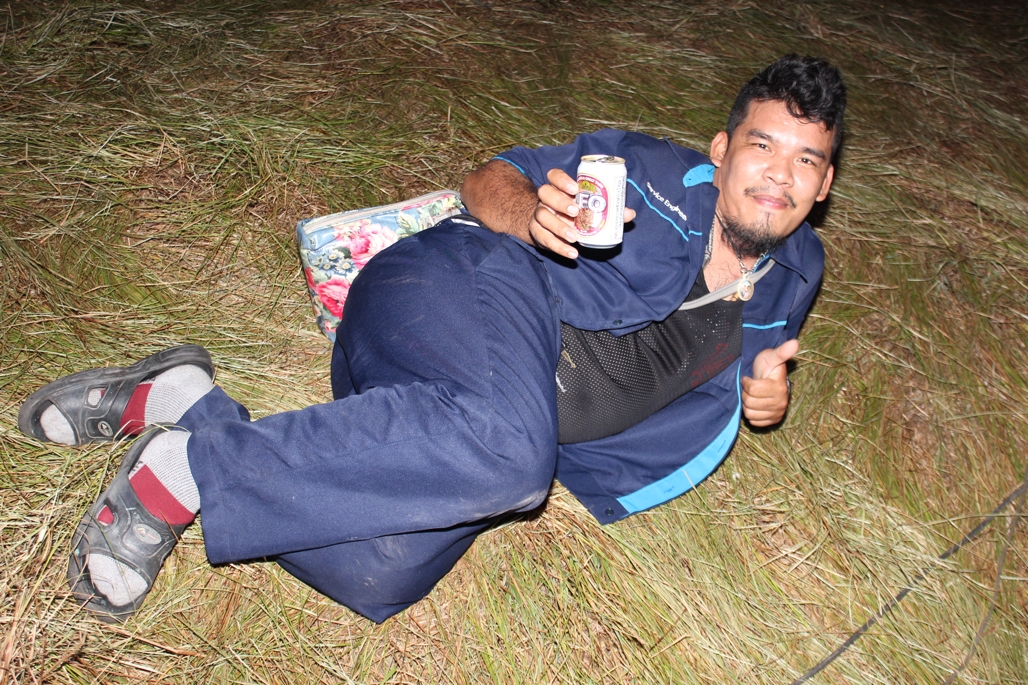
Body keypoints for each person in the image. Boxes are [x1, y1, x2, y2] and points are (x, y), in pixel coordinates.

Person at [17, 54, 845, 624]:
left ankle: (186, 402)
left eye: (805, 160)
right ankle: (183, 470)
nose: (779, 173)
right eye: (762, 145)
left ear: (825, 182)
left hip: (437, 421)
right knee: (514, 458)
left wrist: (764, 397)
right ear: (722, 150)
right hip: (456, 289)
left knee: (379, 572)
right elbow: (488, 177)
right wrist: (531, 214)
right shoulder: (651, 172)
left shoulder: (797, 269)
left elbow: (751, 358)